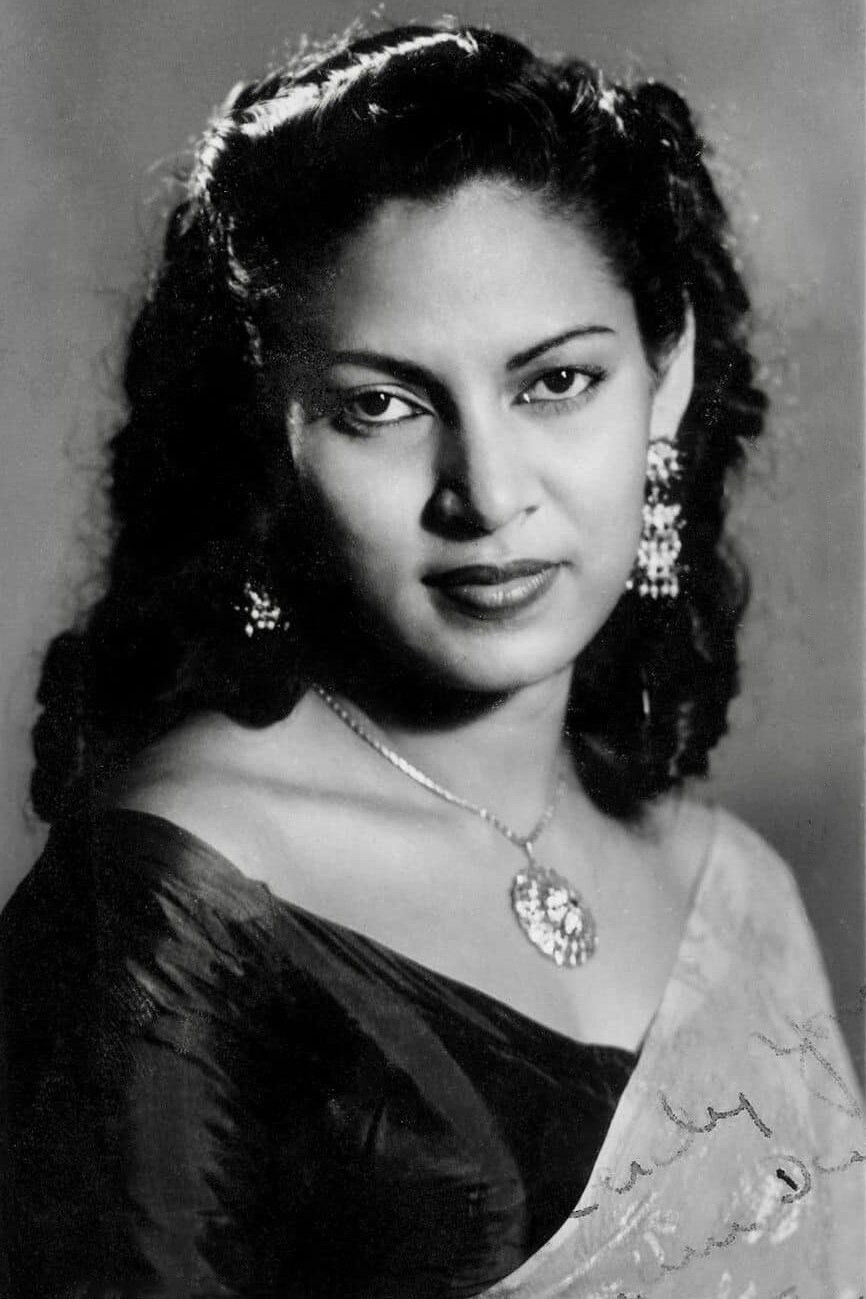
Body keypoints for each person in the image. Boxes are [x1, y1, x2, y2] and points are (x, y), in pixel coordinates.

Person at [1, 22, 862, 1299]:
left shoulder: (727, 886)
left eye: (555, 382)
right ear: (265, 429)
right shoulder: (173, 907)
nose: (488, 493)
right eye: (381, 406)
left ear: (664, 374)